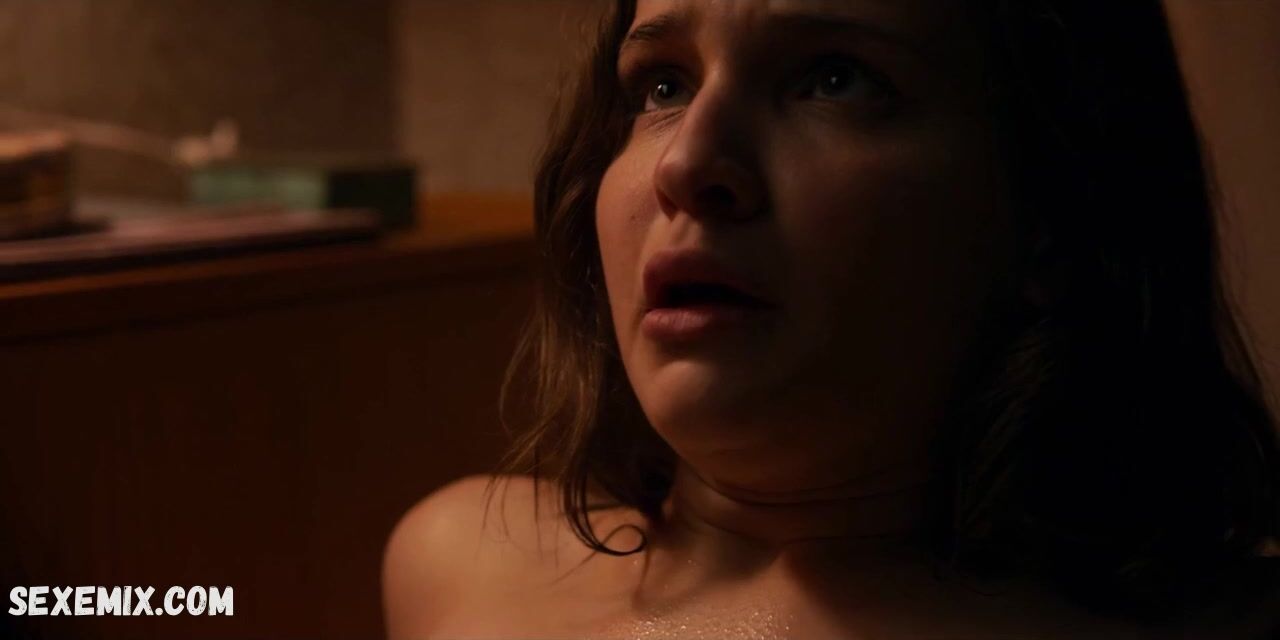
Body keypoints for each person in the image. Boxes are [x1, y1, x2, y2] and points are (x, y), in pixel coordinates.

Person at [383, 0, 1280, 637]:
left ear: (1050, 211)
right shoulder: (462, 571)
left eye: (834, 78)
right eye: (661, 86)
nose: (688, 164)